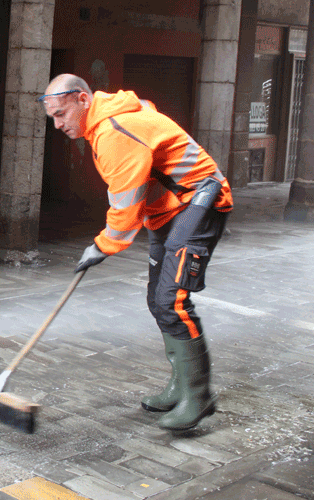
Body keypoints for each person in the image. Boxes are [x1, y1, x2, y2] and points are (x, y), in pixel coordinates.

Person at [40, 74, 233, 431]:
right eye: (52, 117)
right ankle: (180, 386)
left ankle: (199, 395)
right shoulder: (105, 123)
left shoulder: (113, 129)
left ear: (83, 100)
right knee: (158, 301)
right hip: (169, 211)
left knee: (173, 300)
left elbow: (125, 205)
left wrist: (102, 245)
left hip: (198, 200)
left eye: (62, 114)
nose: (58, 124)